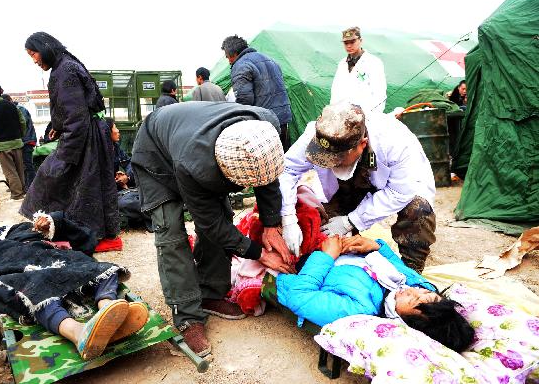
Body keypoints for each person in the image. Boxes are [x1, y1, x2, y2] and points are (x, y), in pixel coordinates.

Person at [131, 102, 294, 357]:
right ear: (223, 170)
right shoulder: (195, 165)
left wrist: (271, 226)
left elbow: (267, 177)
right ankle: (187, 316)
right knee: (170, 231)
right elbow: (210, 223)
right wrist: (258, 253)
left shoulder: (265, 129)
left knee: (224, 217)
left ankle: (210, 293)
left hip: (192, 139)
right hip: (156, 155)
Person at [0, 211, 148, 360]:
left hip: (53, 259)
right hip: (23, 266)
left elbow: (84, 239)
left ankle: (109, 309)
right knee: (37, 291)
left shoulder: (46, 235)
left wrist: (53, 221)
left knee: (99, 269)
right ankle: (80, 334)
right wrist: (12, 248)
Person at [279, 103, 436, 273]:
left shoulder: (395, 142)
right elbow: (287, 170)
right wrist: (288, 219)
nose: (331, 163)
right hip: (345, 187)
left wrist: (351, 221)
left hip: (397, 187)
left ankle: (411, 271)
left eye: (337, 159)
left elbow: (400, 191)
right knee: (327, 232)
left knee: (418, 209)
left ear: (362, 144)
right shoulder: (316, 136)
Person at [276, 235, 475, 353]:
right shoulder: (415, 286)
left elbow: (300, 296)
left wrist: (327, 255)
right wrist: (375, 247)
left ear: (404, 322)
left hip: (306, 258)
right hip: (336, 247)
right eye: (426, 293)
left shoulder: (359, 310)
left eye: (412, 300)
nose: (413, 290)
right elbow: (397, 265)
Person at [20, 32, 119, 240]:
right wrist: (57, 125)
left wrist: (66, 154)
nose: (34, 60)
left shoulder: (64, 70)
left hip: (85, 134)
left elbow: (76, 116)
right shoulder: (65, 64)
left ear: (44, 47)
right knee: (86, 184)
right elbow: (67, 107)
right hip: (87, 130)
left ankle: (79, 231)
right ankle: (87, 230)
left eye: (33, 53)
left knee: (55, 175)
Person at [221, 35, 293, 151]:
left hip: (264, 123)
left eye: (227, 57)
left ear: (233, 54)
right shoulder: (270, 60)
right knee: (281, 159)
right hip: (283, 118)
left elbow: (244, 100)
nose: (228, 61)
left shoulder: (241, 65)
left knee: (264, 163)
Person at [330, 27, 387, 114]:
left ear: (360, 40)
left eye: (352, 42)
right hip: (343, 115)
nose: (349, 46)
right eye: (346, 43)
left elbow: (380, 93)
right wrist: (333, 112)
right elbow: (335, 91)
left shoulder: (373, 62)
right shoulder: (342, 64)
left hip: (366, 115)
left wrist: (371, 114)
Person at [2, 94, 37, 191]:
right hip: (18, 142)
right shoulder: (11, 110)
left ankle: (32, 187)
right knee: (18, 165)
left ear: (10, 101)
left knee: (27, 164)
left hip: (27, 141)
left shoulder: (20, 109)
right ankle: (20, 186)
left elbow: (22, 124)